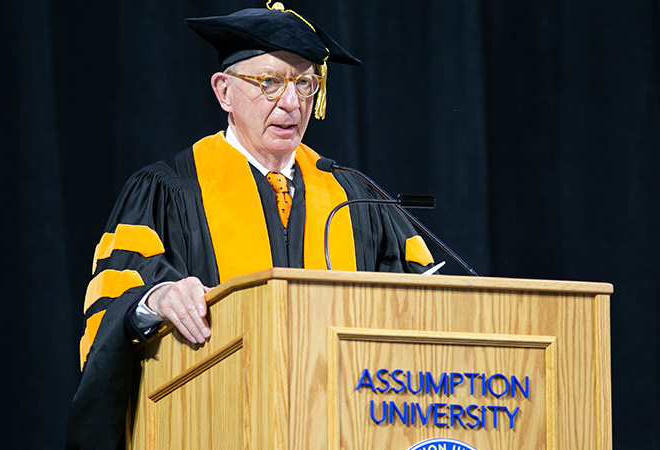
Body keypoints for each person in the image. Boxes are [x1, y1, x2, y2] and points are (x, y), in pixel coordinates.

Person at [65, 3, 436, 449]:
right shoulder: (168, 191)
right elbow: (110, 306)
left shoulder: (355, 198)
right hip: (211, 428)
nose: (291, 101)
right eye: (270, 82)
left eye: (305, 83)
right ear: (224, 92)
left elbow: (423, 318)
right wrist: (152, 300)